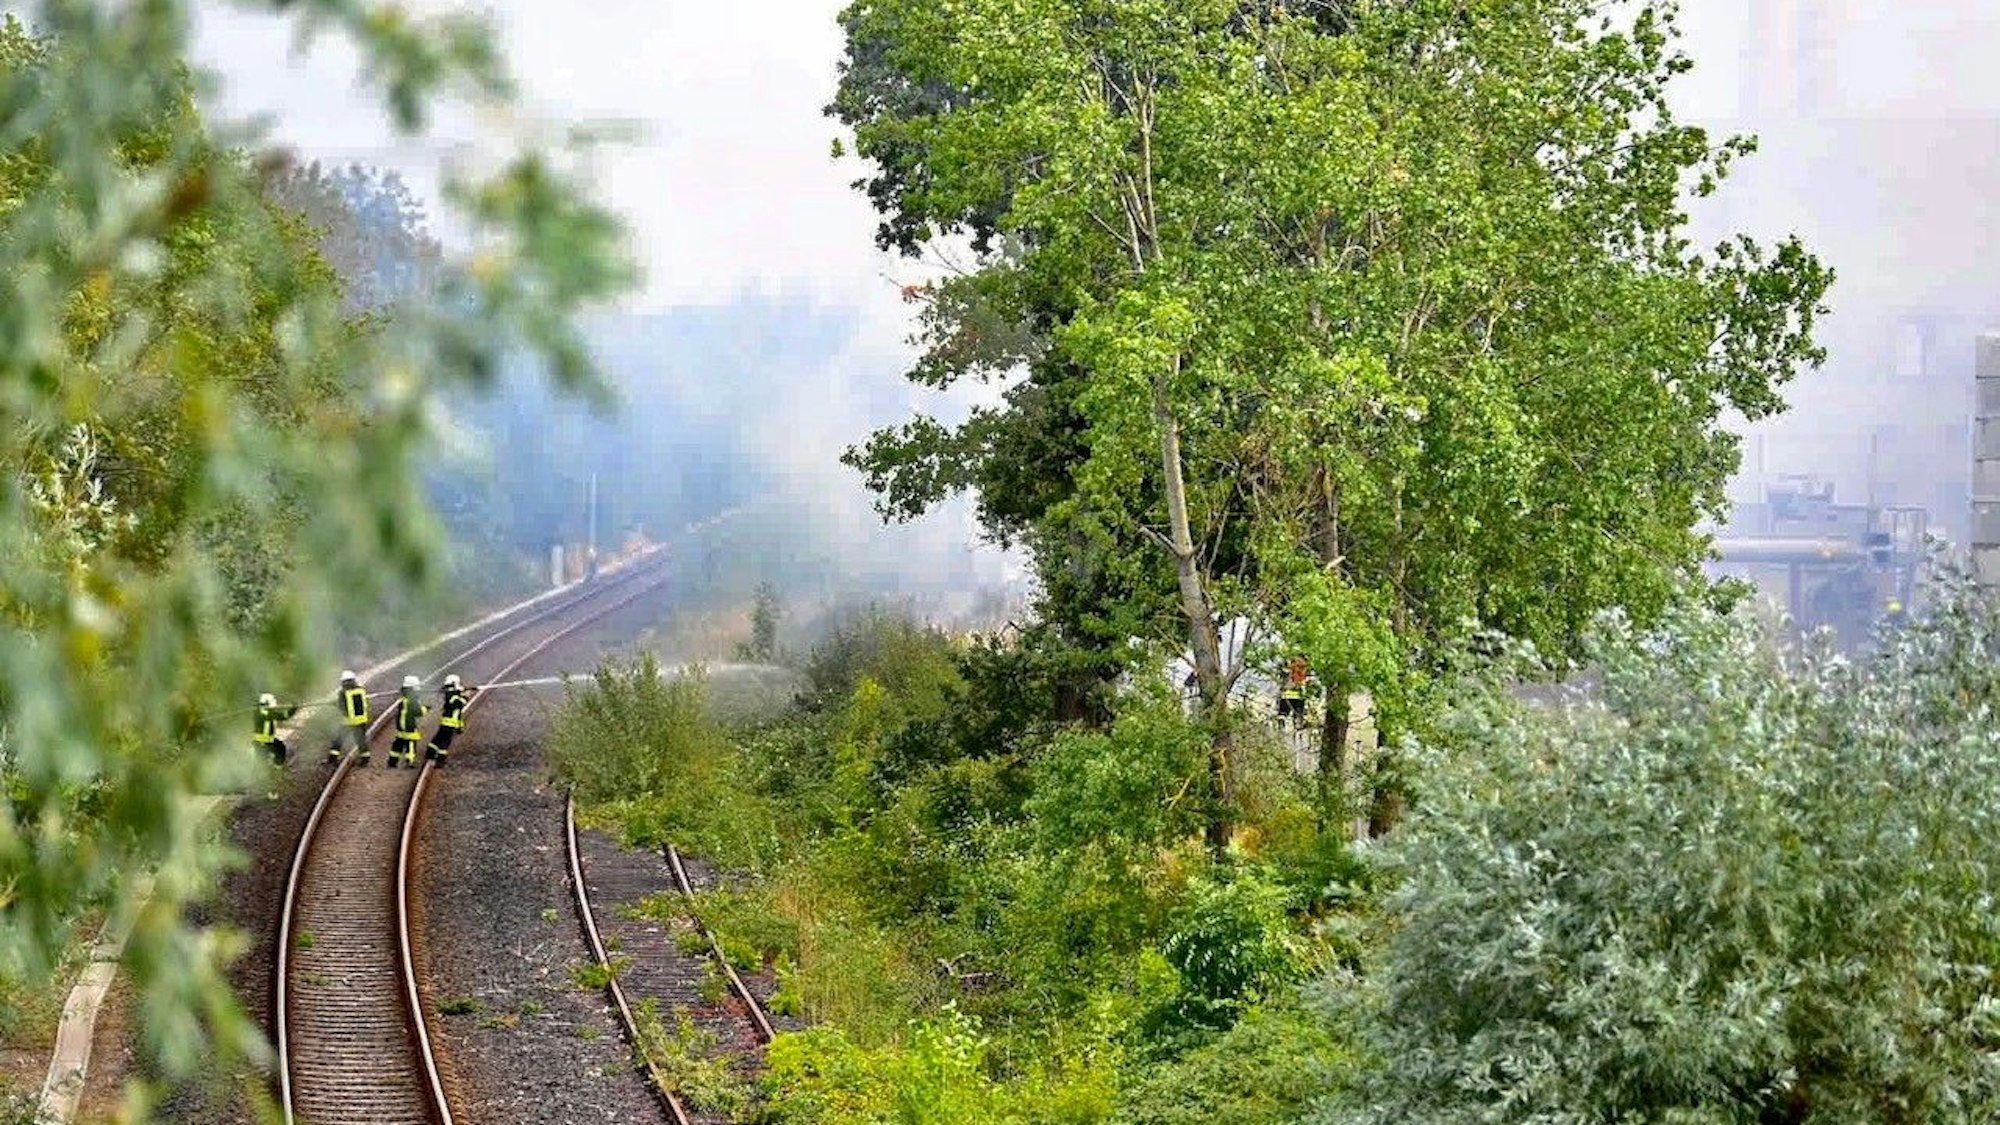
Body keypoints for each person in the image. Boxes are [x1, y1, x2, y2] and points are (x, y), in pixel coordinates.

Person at [426, 674, 477, 766]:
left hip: (445, 723)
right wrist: (466, 696)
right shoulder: (452, 696)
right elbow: (459, 704)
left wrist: (463, 691)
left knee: (437, 739)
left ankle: (430, 753)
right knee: (444, 744)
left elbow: (455, 695)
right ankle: (440, 761)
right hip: (450, 724)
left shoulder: (450, 693)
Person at [326, 670, 371, 765]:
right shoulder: (361, 690)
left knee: (339, 740)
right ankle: (365, 760)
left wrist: (334, 704)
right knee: (361, 741)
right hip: (361, 720)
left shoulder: (343, 692)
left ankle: (332, 759)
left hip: (348, 721)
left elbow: (341, 706)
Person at [390, 674, 428, 768]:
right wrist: (425, 708)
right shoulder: (412, 700)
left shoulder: (404, 699)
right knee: (411, 742)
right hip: (409, 725)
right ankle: (410, 761)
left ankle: (392, 761)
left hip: (400, 724)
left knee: (399, 743)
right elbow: (418, 712)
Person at [254, 693, 299, 765]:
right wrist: (293, 709)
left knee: (261, 761)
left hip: (258, 741)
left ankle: (266, 770)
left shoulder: (258, 711)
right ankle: (278, 767)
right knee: (280, 749)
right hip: (267, 741)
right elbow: (284, 716)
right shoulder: (269, 713)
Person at [1277, 654, 1311, 726]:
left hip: (1291, 695)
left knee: (1284, 715)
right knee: (1294, 717)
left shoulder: (1292, 669)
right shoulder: (1303, 670)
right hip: (1296, 695)